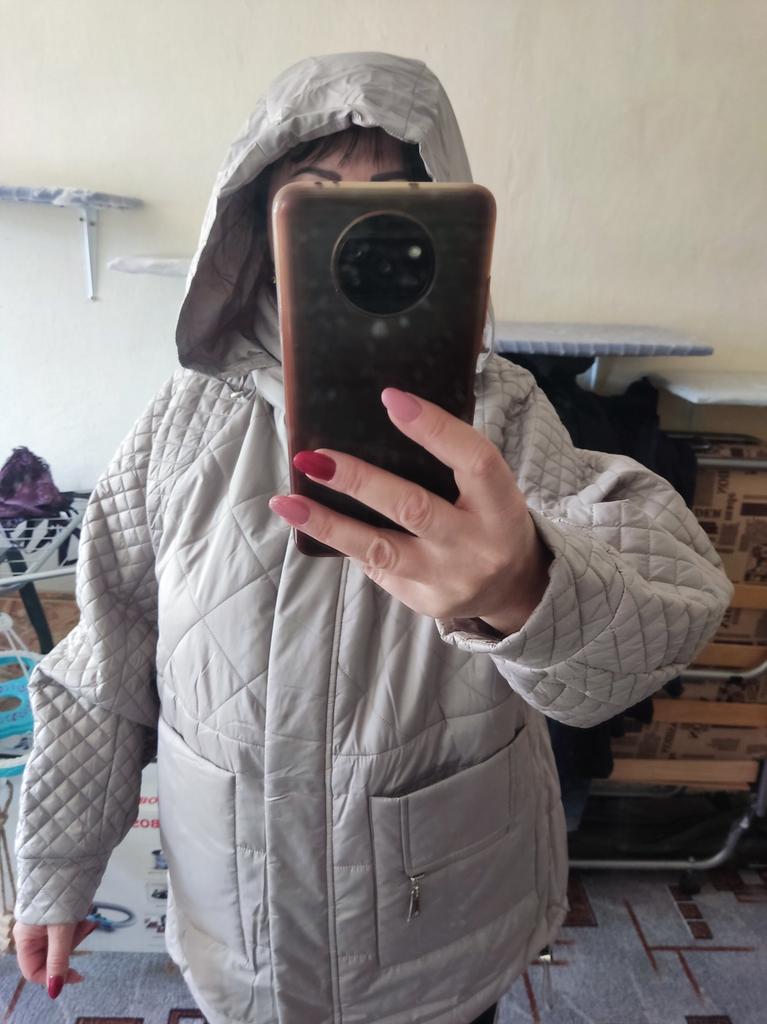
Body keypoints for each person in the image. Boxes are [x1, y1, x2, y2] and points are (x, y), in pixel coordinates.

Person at [13, 52, 732, 1024]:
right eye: (312, 199)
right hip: (238, 925)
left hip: (438, 926)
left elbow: (666, 591)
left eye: (390, 200)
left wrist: (527, 587)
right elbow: (102, 663)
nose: (351, 229)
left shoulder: (499, 417)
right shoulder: (182, 422)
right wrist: (57, 867)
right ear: (255, 223)